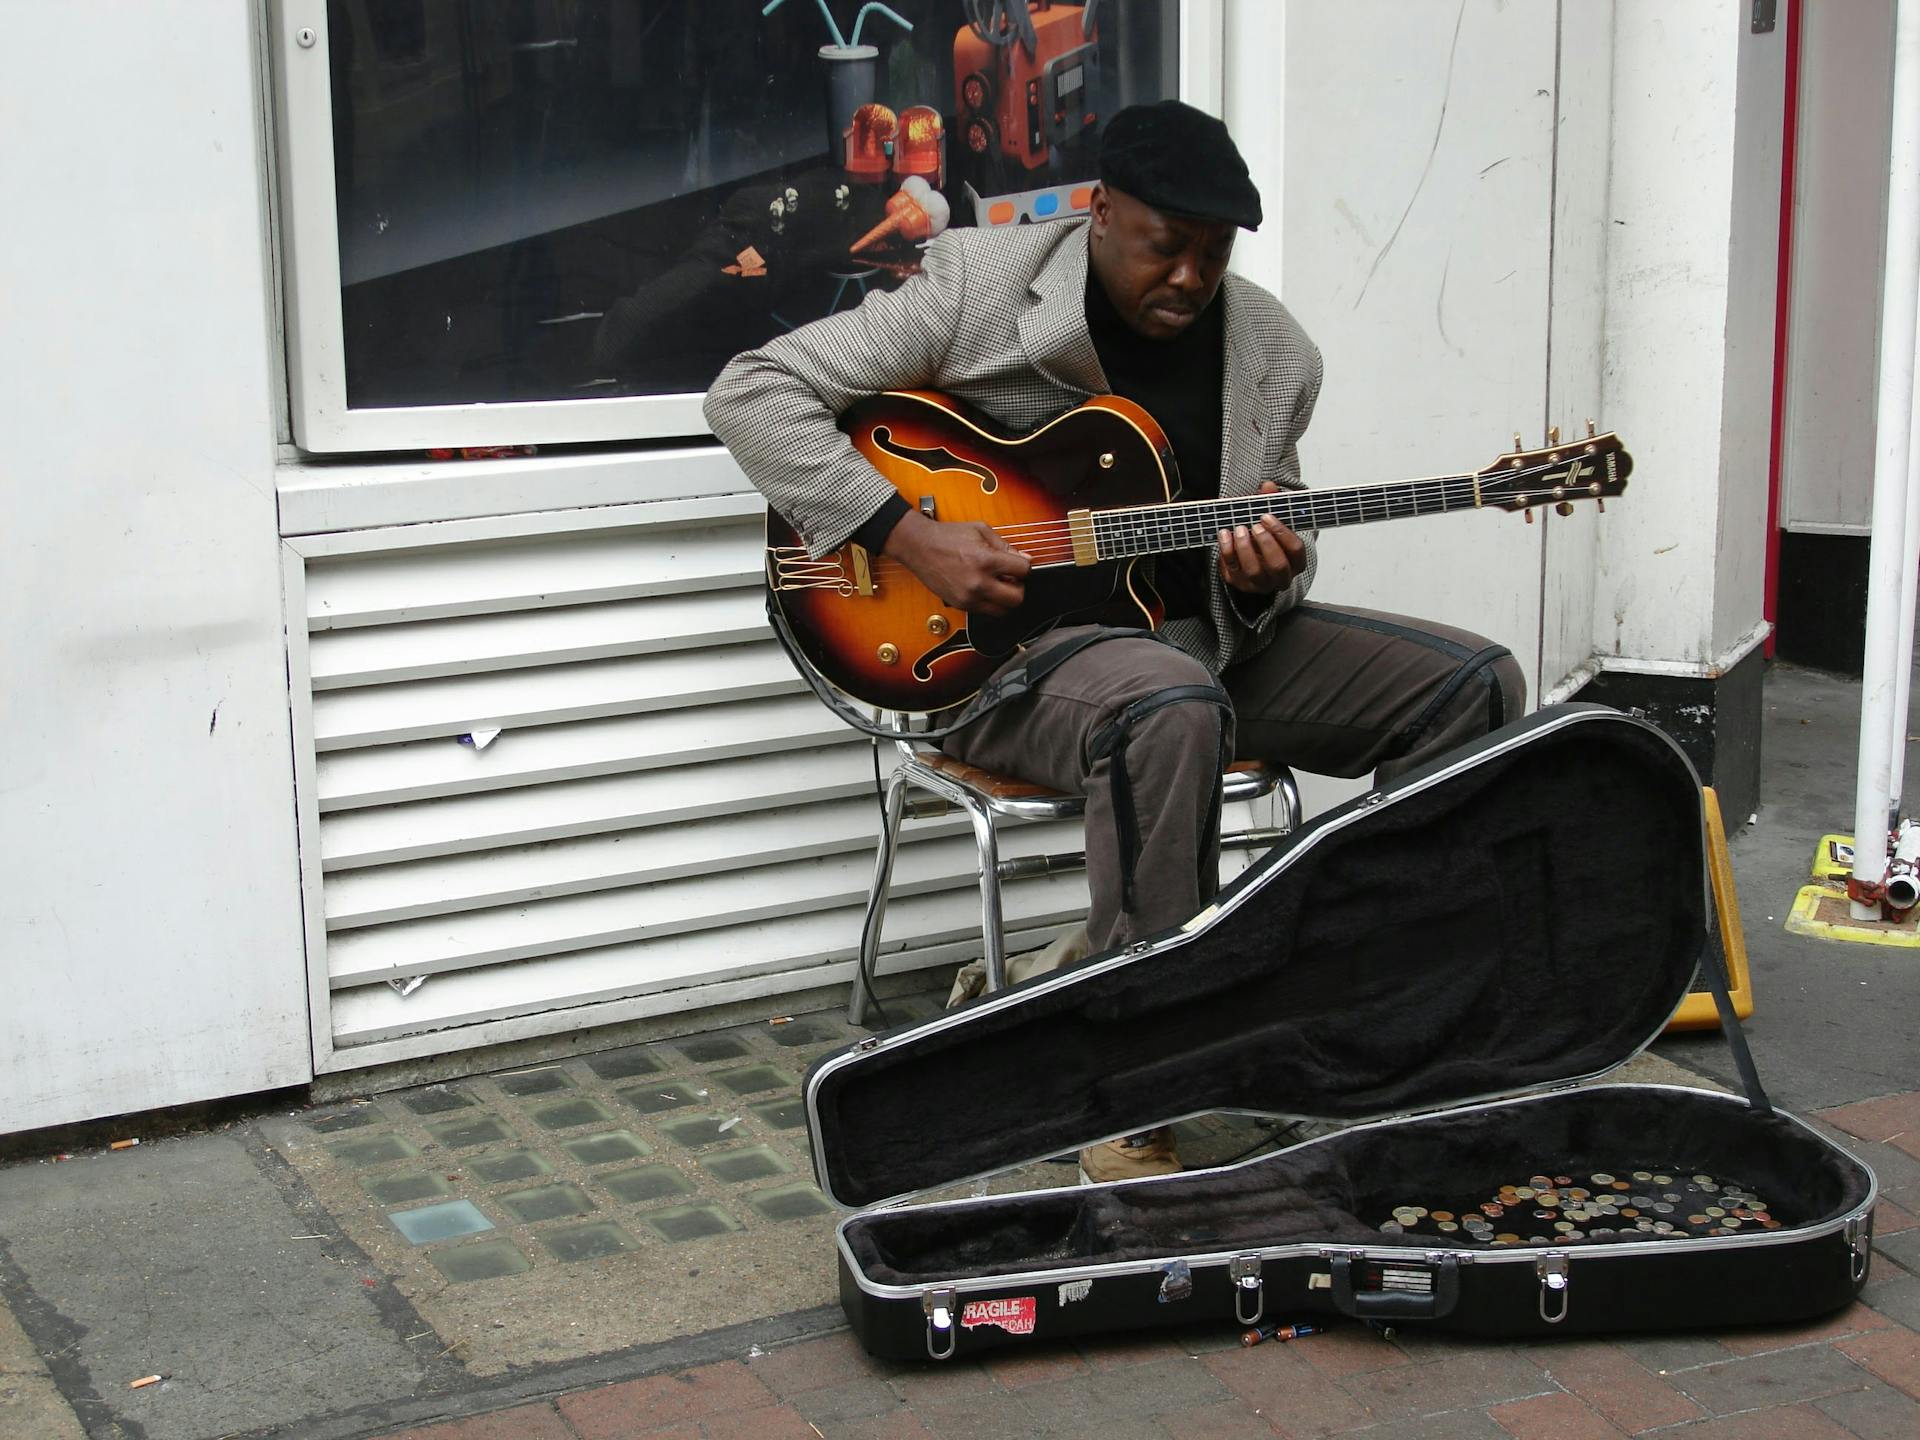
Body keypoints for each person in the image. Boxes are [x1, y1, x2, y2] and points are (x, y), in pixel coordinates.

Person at [706, 100, 1526, 1181]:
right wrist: (913, 537)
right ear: (1101, 213)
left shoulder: (1277, 355)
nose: (1191, 276)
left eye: (1215, 253)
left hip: (1199, 640)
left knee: (1473, 688)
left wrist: (1274, 566)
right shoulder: (979, 286)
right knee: (1167, 704)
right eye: (1166, 246)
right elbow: (753, 393)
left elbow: (1274, 533)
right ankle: (1132, 1086)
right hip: (1004, 652)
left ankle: (1352, 997)